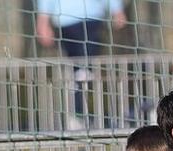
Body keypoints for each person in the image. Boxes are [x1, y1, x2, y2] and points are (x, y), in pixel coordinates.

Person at [35, 0, 127, 128]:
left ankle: (84, 114)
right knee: (78, 70)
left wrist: (117, 9)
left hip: (92, 18)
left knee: (85, 69)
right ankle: (79, 114)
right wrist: (43, 21)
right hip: (66, 21)